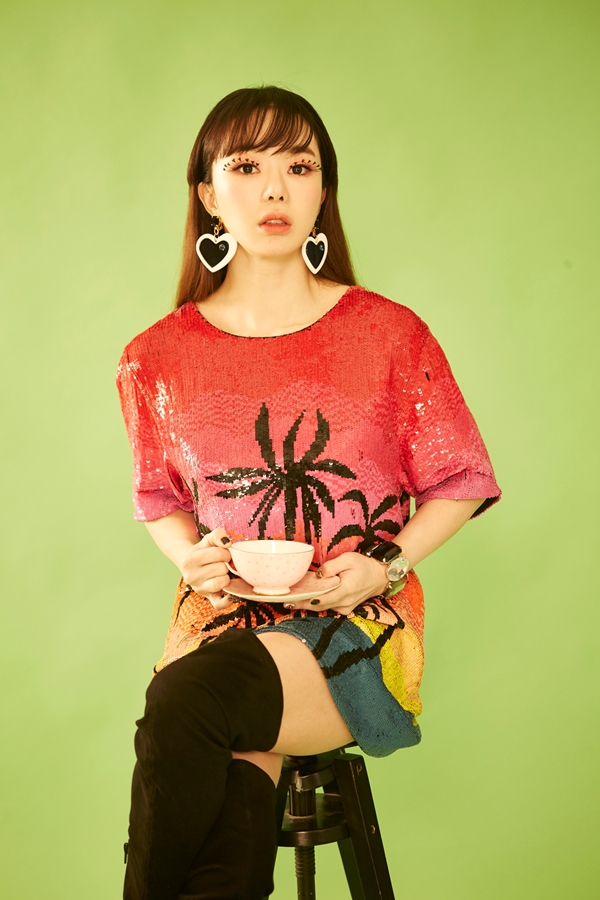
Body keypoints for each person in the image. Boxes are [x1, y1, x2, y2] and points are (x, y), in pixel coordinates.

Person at [116, 85, 501, 900]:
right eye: (246, 167)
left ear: (325, 191)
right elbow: (159, 496)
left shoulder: (389, 334)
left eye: (299, 167)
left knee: (185, 701)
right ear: (207, 193)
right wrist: (191, 558)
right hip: (221, 625)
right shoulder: (155, 357)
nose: (275, 189)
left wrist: (384, 565)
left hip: (355, 625)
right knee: (223, 825)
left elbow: (461, 480)